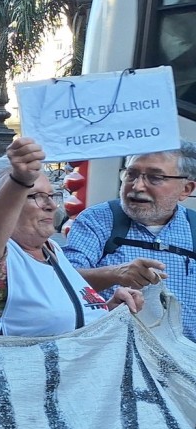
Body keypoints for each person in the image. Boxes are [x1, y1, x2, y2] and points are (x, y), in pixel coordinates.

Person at [0, 137, 142, 335]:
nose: (51, 206)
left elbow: (58, 320)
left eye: (51, 196)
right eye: (35, 196)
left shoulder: (50, 249)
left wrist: (108, 309)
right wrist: (19, 182)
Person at [63, 143, 196, 340]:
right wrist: (115, 274)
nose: (137, 186)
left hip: (185, 361)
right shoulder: (97, 220)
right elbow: (63, 282)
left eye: (155, 177)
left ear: (186, 189)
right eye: (131, 174)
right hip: (115, 355)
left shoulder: (193, 228)